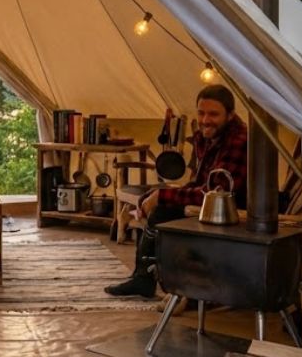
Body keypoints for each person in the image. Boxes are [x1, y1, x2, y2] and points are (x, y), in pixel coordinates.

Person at [104, 84, 248, 298]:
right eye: (201, 113)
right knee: (160, 204)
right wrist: (155, 194)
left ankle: (163, 282)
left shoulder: (238, 141)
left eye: (213, 114)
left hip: (233, 211)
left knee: (163, 212)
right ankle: (145, 277)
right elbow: (198, 182)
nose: (205, 120)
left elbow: (215, 195)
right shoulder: (207, 136)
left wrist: (162, 197)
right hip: (210, 206)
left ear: (230, 115)